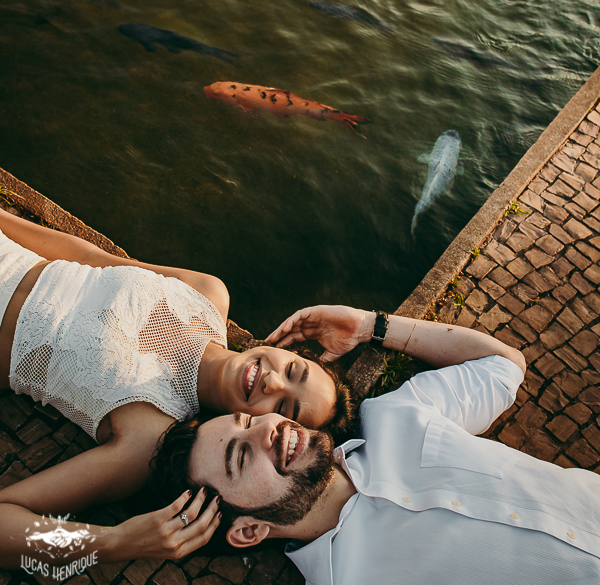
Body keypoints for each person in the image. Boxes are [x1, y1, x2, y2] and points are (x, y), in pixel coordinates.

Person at [150, 305, 600, 585]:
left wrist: (371, 325)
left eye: (247, 420)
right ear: (249, 531)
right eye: (242, 456)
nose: (266, 429)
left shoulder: (395, 414)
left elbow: (503, 366)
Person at [0, 210, 352, 566]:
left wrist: (116, 542)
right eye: (292, 370)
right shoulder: (209, 293)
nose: (272, 382)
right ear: (287, 350)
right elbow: (91, 257)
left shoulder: (147, 436)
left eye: (282, 407)